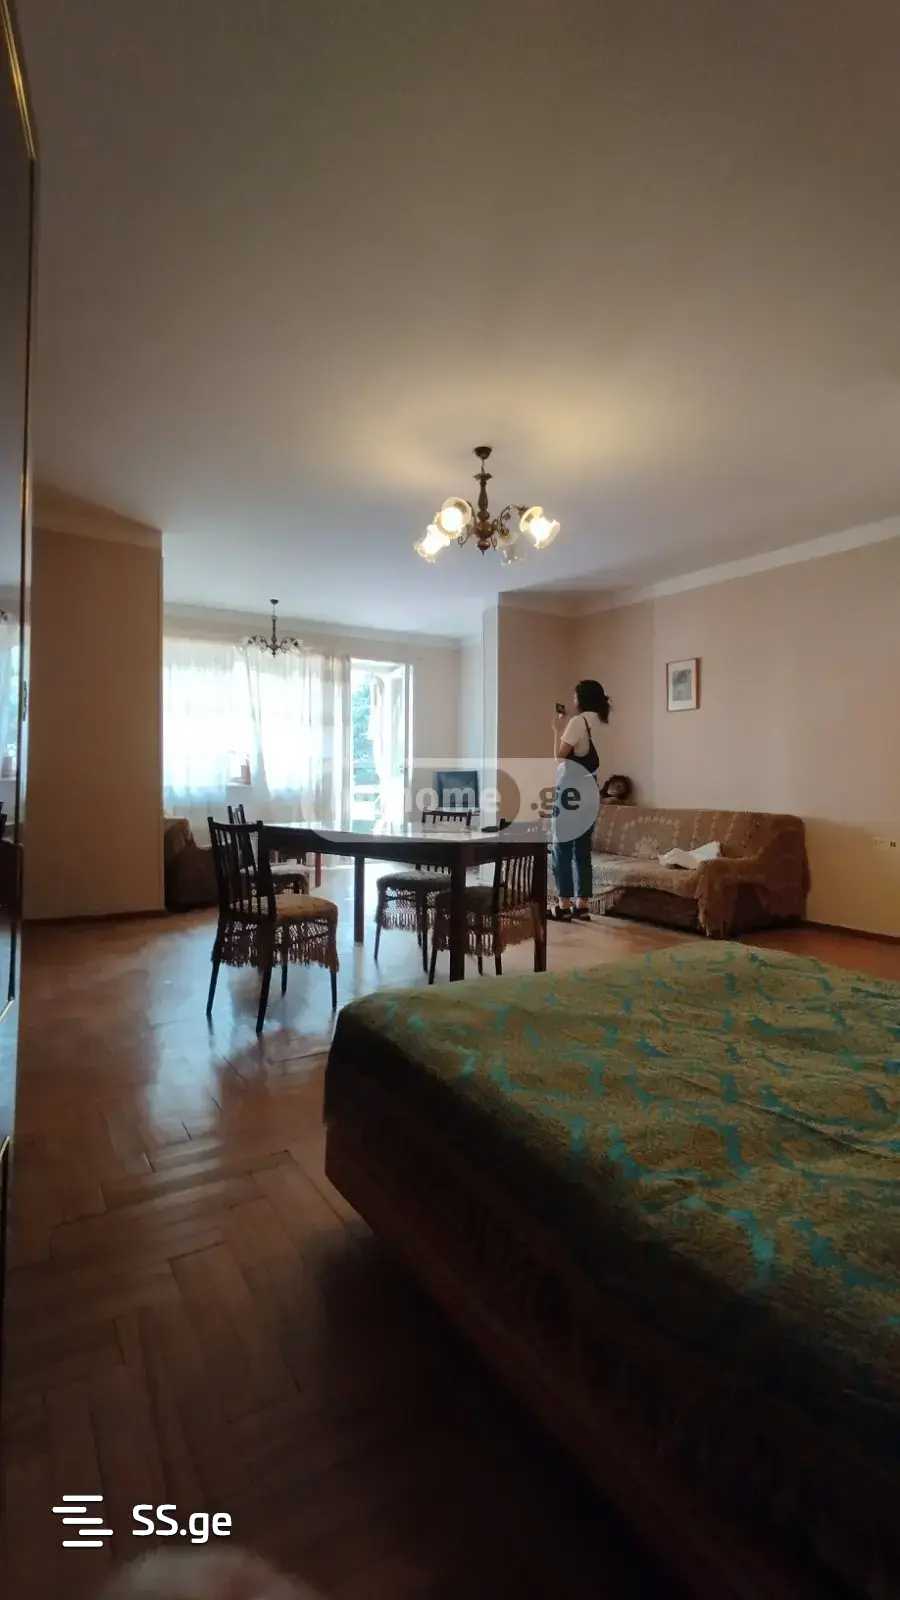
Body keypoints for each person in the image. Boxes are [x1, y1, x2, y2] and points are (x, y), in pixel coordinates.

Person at [550, 679, 611, 921]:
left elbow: (560, 758)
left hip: (571, 790)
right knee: (582, 850)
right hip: (591, 790)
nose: (573, 700)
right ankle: (582, 905)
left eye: (575, 696)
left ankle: (563, 906)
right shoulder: (603, 722)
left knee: (561, 847)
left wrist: (557, 730)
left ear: (582, 698)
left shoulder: (578, 722)